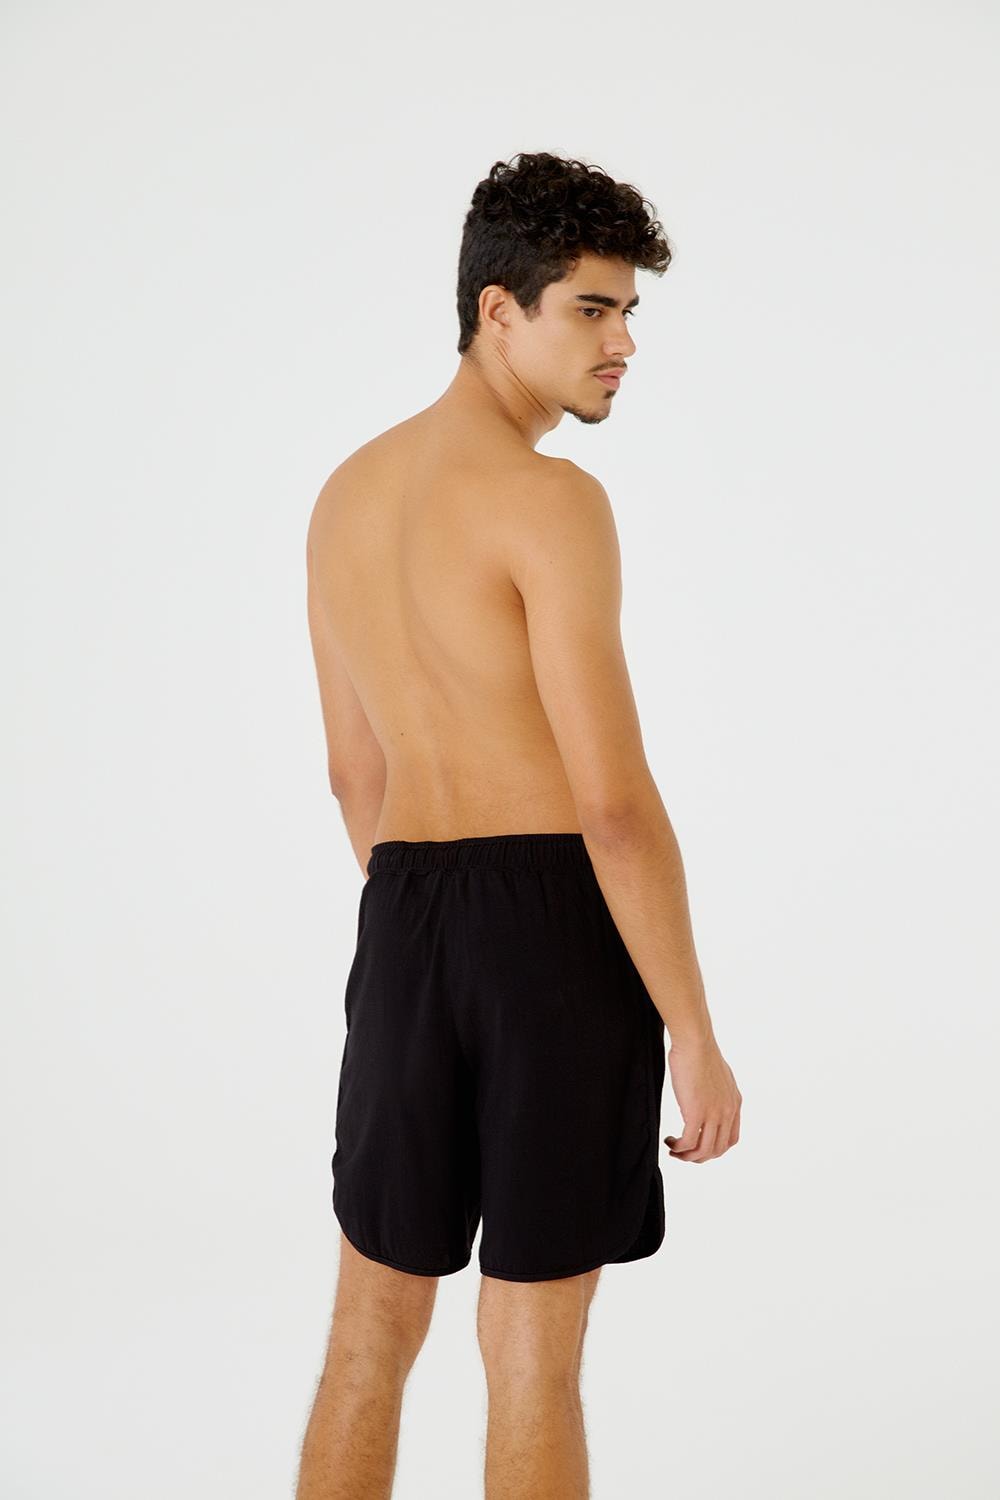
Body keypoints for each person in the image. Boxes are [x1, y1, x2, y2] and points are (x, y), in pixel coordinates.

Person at [295, 150, 742, 1500]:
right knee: (531, 1353)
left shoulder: (346, 495)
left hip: (404, 915)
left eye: (628, 313)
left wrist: (430, 930)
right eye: (592, 310)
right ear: (499, 309)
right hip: (552, 929)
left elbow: (351, 773)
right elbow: (611, 801)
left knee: (369, 1332)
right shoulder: (552, 502)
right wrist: (692, 1029)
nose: (622, 345)